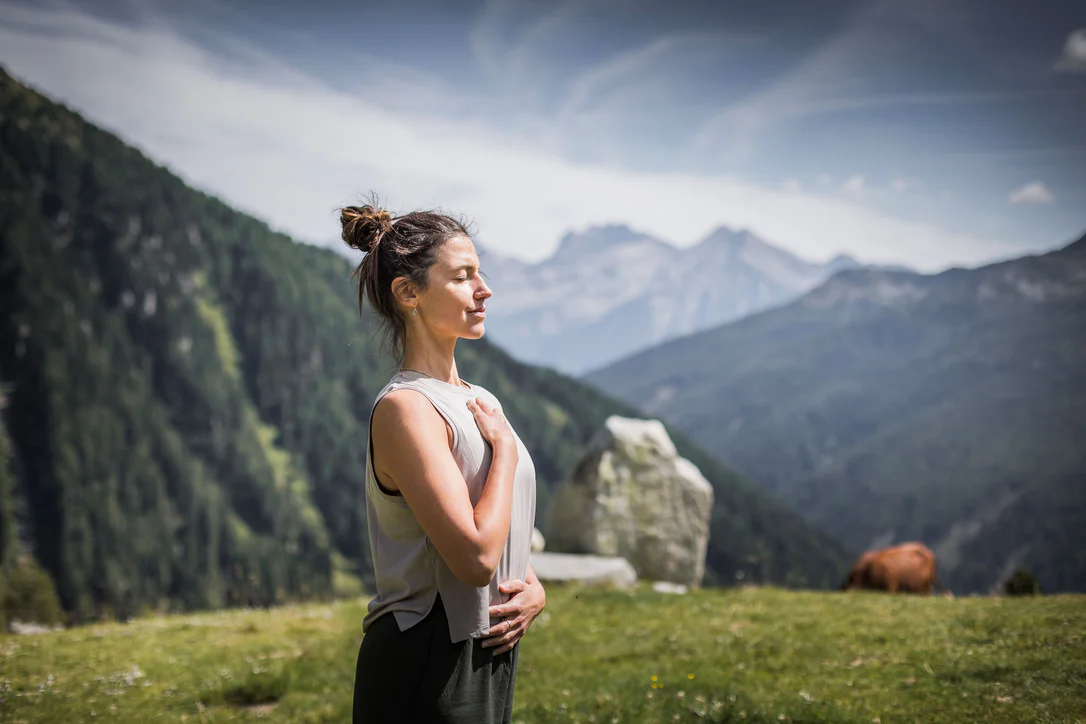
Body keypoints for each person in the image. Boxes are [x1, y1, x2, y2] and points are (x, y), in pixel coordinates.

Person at [343, 202, 545, 723]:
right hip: (427, 659)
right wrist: (502, 451)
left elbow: (494, 529)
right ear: (409, 293)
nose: (485, 289)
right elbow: (474, 559)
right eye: (462, 277)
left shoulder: (479, 399)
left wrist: (530, 582)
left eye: (480, 273)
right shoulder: (406, 409)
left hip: (486, 652)